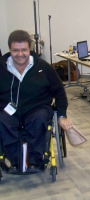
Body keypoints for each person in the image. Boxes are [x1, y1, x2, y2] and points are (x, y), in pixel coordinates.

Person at [0, 30, 72, 172]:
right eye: (15, 50)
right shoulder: (1, 68)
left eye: (24, 50)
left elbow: (59, 92)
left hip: (37, 109)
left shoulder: (43, 67)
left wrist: (62, 115)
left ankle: (34, 161)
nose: (20, 54)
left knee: (39, 118)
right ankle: (16, 162)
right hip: (9, 112)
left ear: (29, 49)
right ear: (10, 49)